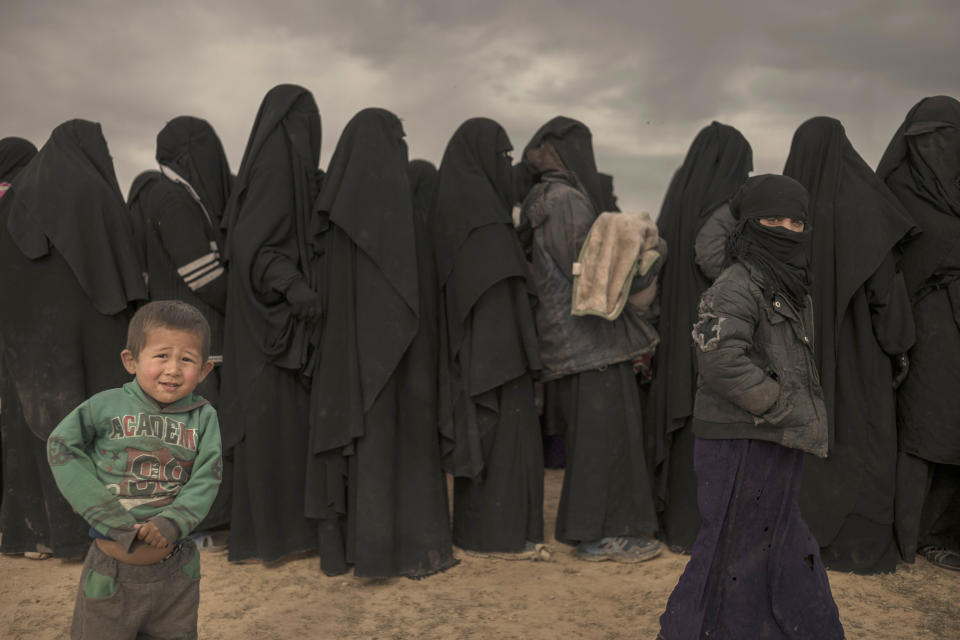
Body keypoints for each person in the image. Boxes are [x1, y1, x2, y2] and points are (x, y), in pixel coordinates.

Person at [659, 174, 844, 640]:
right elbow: (720, 361)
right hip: (737, 439)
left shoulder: (787, 283)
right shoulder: (736, 284)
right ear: (749, 225)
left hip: (772, 435)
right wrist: (778, 403)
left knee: (777, 543)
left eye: (795, 221)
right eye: (771, 219)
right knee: (728, 547)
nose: (785, 229)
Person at [306, 108, 457, 578]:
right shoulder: (404, 210)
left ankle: (362, 552)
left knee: (365, 446)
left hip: (349, 359)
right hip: (405, 357)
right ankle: (412, 550)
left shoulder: (333, 210)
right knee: (404, 447)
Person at [519, 116, 662, 562]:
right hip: (589, 344)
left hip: (579, 344)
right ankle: (598, 536)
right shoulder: (565, 201)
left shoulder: (549, 198)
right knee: (603, 444)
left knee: (600, 442)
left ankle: (600, 531)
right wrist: (646, 252)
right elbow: (589, 270)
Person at [1, 122, 146, 559]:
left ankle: (50, 535)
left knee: (47, 433)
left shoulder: (17, 207)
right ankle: (94, 534)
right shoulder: (89, 194)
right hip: (96, 337)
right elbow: (120, 276)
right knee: (96, 433)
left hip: (31, 349)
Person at [784, 116, 918, 574]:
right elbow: (886, 295)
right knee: (863, 439)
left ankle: (796, 535)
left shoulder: (783, 212)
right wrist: (898, 348)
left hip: (796, 353)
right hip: (859, 356)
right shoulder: (867, 208)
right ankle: (854, 544)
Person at [47, 300, 221, 639]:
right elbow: (60, 446)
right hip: (111, 572)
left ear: (203, 371)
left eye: (186, 360)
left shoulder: (203, 417)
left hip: (176, 574)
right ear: (131, 360)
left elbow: (208, 475)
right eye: (161, 356)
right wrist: (103, 512)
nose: (173, 369)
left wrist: (172, 521)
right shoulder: (104, 406)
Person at [433, 117, 546, 559]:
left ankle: (482, 532)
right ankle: (499, 537)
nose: (508, 165)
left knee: (485, 441)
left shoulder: (459, 213)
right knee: (503, 442)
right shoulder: (485, 224)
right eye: (503, 156)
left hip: (475, 358)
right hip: (497, 361)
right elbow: (497, 295)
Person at [219, 84, 322, 562]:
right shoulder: (278, 164)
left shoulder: (271, 162)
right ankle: (278, 537)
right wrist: (294, 286)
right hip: (270, 325)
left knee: (275, 430)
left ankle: (274, 536)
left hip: (263, 322)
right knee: (274, 428)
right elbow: (252, 245)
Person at [646, 122, 753, 553]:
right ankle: (701, 530)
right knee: (708, 419)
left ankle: (675, 524)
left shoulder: (682, 192)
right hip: (711, 324)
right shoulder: (725, 204)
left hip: (676, 323)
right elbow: (712, 257)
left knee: (683, 417)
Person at [877, 95, 960, 571]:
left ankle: (946, 532)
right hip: (919, 327)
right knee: (923, 429)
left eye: (946, 137)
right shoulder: (895, 189)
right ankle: (913, 534)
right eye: (924, 138)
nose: (935, 147)